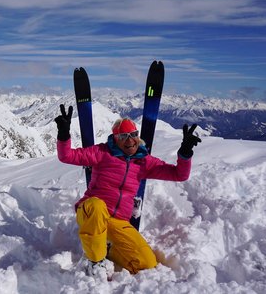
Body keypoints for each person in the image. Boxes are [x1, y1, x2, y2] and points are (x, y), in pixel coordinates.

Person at [54, 104, 201, 275]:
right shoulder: (102, 152)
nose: (129, 140)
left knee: (147, 262)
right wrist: (64, 134)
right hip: (91, 212)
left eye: (133, 135)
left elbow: (179, 174)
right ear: (115, 138)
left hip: (119, 222)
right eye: (123, 136)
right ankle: (96, 262)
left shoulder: (144, 162)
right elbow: (67, 156)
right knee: (96, 205)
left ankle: (109, 249)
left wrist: (185, 153)